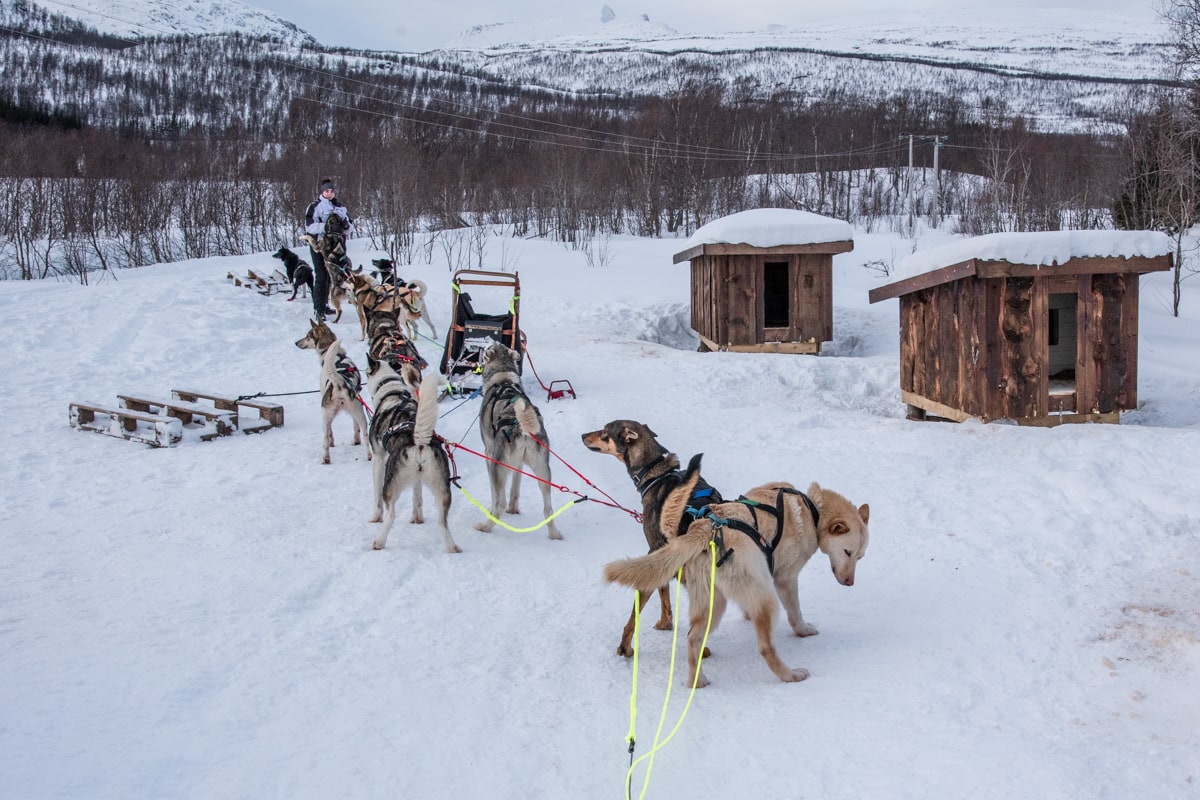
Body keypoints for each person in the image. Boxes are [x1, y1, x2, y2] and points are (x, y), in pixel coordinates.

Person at [303, 178, 353, 321]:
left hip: (337, 248)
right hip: (320, 246)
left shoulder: (340, 207)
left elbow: (350, 228)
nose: (329, 193)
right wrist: (326, 227)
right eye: (327, 191)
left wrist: (344, 224)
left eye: (331, 191)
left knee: (331, 277)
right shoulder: (315, 206)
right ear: (322, 191)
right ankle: (318, 309)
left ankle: (325, 305)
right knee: (321, 275)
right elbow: (309, 227)